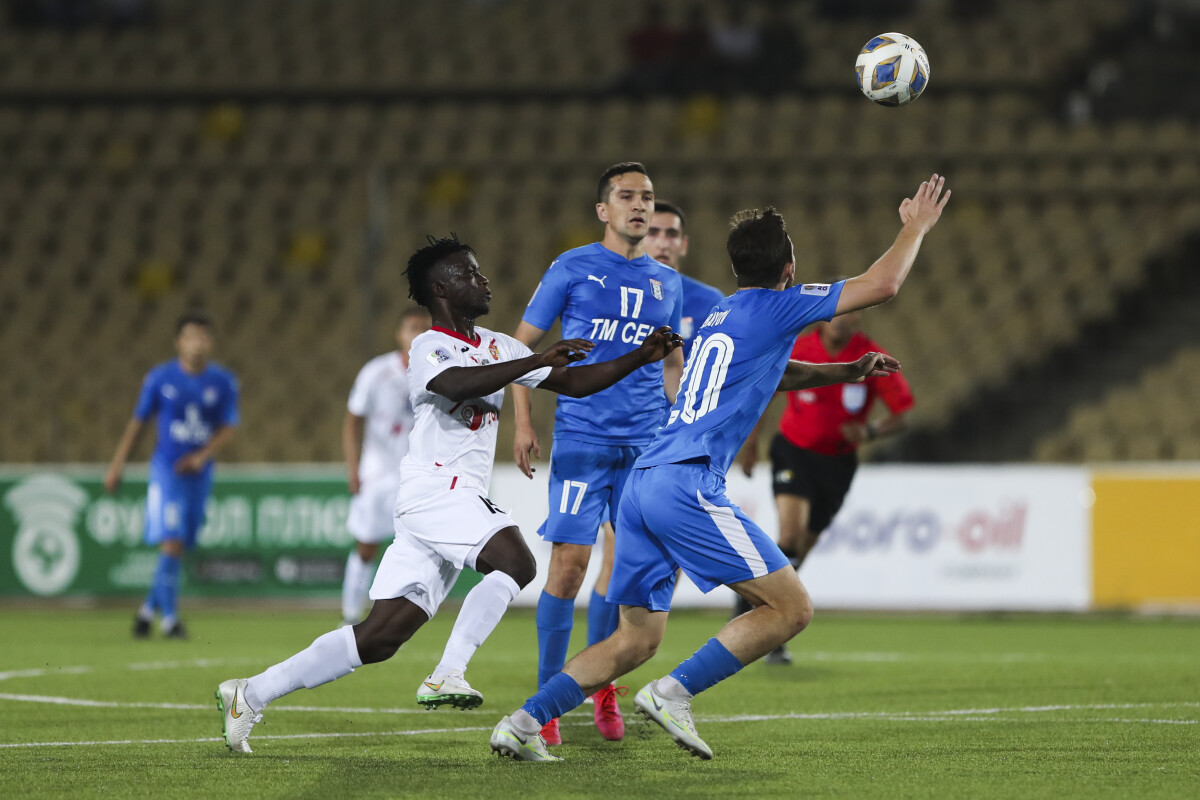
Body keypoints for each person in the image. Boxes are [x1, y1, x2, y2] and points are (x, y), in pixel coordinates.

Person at [490, 174, 950, 762]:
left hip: (644, 483)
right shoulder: (782, 305)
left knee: (635, 638)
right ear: (788, 267)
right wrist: (915, 228)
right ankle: (672, 694)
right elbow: (882, 284)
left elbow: (773, 372)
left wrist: (844, 371)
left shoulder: (722, 315)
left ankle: (524, 722)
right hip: (686, 482)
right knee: (791, 607)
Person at [216, 235, 682, 754]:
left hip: (444, 502)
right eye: (469, 273)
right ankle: (447, 673)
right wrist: (533, 363)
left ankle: (249, 693)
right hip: (437, 489)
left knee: (378, 638)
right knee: (518, 564)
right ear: (441, 289)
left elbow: (573, 383)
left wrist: (641, 356)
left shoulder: (501, 345)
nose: (483, 280)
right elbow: (456, 385)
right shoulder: (428, 346)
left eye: (480, 272)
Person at [511, 162, 685, 745]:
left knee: (625, 574)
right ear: (603, 210)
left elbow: (672, 369)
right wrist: (523, 422)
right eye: (628, 197)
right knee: (569, 567)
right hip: (583, 439)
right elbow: (520, 350)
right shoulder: (572, 266)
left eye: (649, 197)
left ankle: (604, 686)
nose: (641, 206)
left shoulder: (668, 283)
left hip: (645, 445)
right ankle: (546, 704)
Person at [735, 307, 914, 664]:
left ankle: (761, 606)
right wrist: (751, 443)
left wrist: (870, 431)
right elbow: (763, 395)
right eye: (839, 315)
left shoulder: (870, 357)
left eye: (852, 316)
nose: (845, 321)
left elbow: (901, 414)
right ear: (824, 319)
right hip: (793, 452)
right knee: (789, 537)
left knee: (801, 549)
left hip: (838, 463)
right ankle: (767, 618)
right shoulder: (800, 350)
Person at [104, 310, 240, 640]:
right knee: (172, 541)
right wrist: (117, 464)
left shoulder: (222, 382)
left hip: (199, 474)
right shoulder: (159, 379)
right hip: (167, 472)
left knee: (179, 546)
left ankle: (146, 612)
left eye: (203, 337)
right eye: (191, 336)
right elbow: (138, 424)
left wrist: (202, 456)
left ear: (211, 342)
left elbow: (228, 427)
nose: (197, 344)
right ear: (179, 342)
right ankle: (171, 621)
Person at [340, 306, 432, 625]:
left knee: (415, 549)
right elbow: (352, 421)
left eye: (424, 328)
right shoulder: (376, 372)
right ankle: (350, 615)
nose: (417, 334)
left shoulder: (440, 372)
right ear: (399, 333)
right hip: (378, 474)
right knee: (367, 545)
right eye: (411, 327)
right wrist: (353, 467)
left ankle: (399, 617)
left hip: (418, 476)